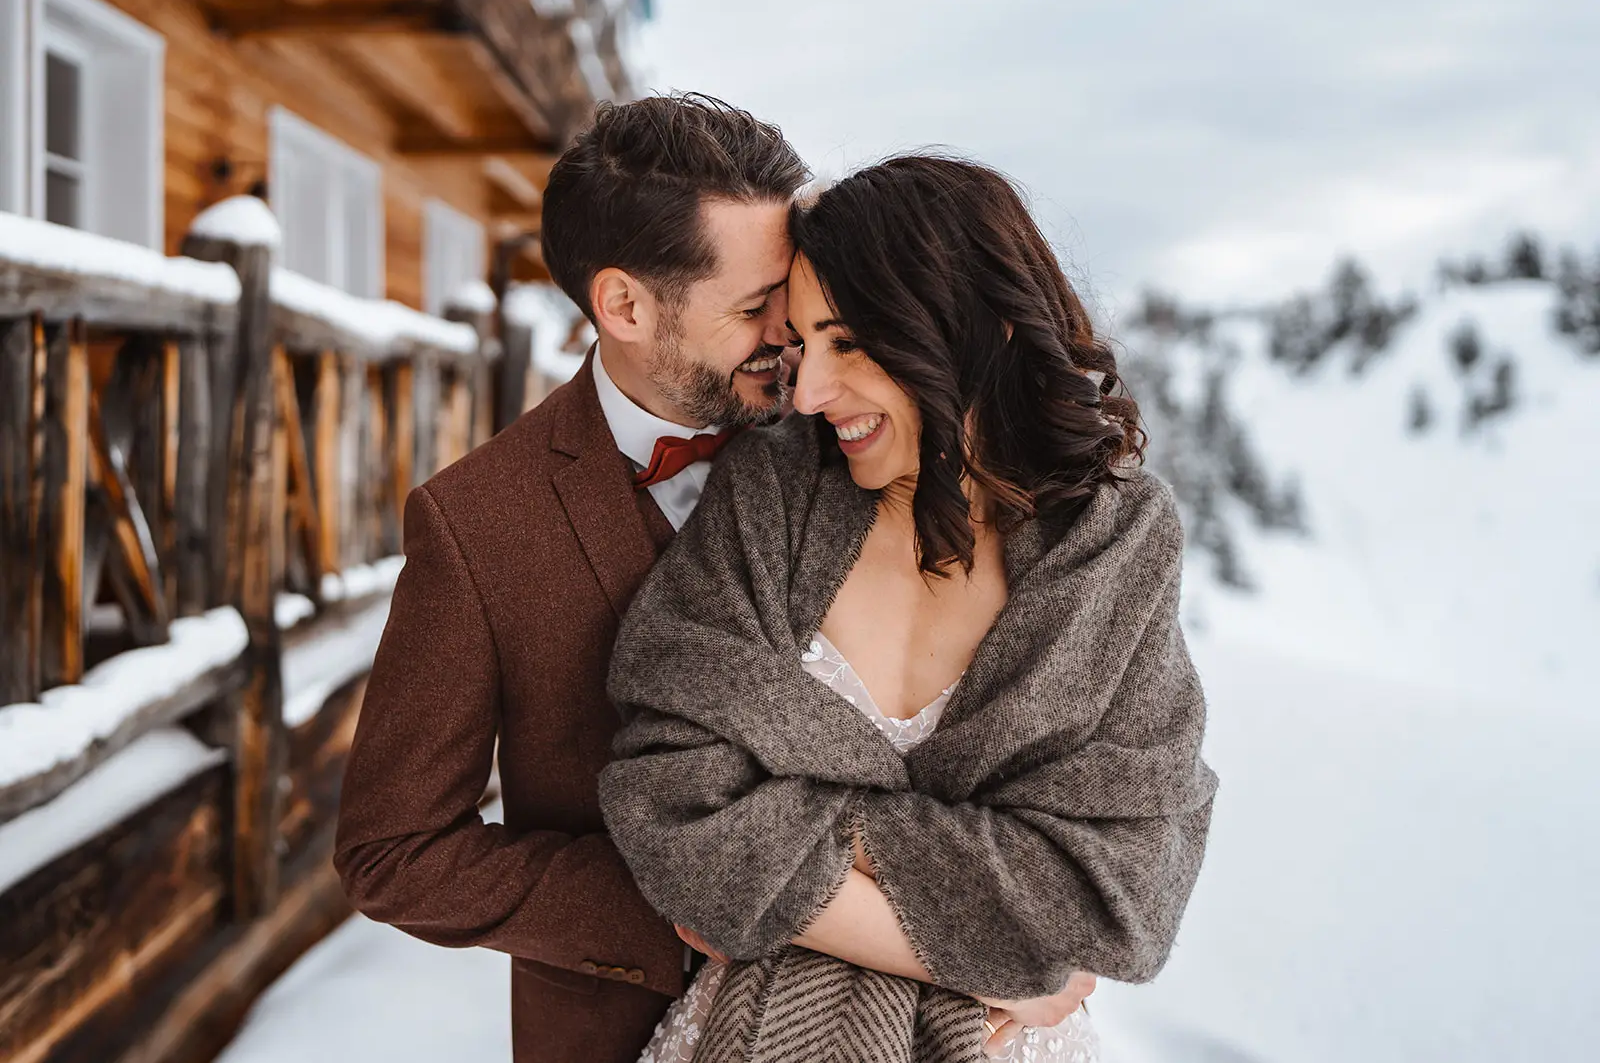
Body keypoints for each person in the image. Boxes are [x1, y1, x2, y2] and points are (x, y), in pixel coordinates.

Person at [600, 156, 1219, 1062]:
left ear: (979, 328)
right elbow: (665, 796)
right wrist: (994, 964)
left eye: (848, 342)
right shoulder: (774, 493)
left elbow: (1119, 890)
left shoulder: (1112, 547)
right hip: (780, 1028)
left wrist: (797, 835)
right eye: (803, 345)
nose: (807, 392)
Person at [333, 93, 811, 1063]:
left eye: (791, 292)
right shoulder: (475, 523)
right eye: (753, 305)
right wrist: (667, 904)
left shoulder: (851, 437)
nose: (791, 331)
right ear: (624, 305)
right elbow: (394, 849)